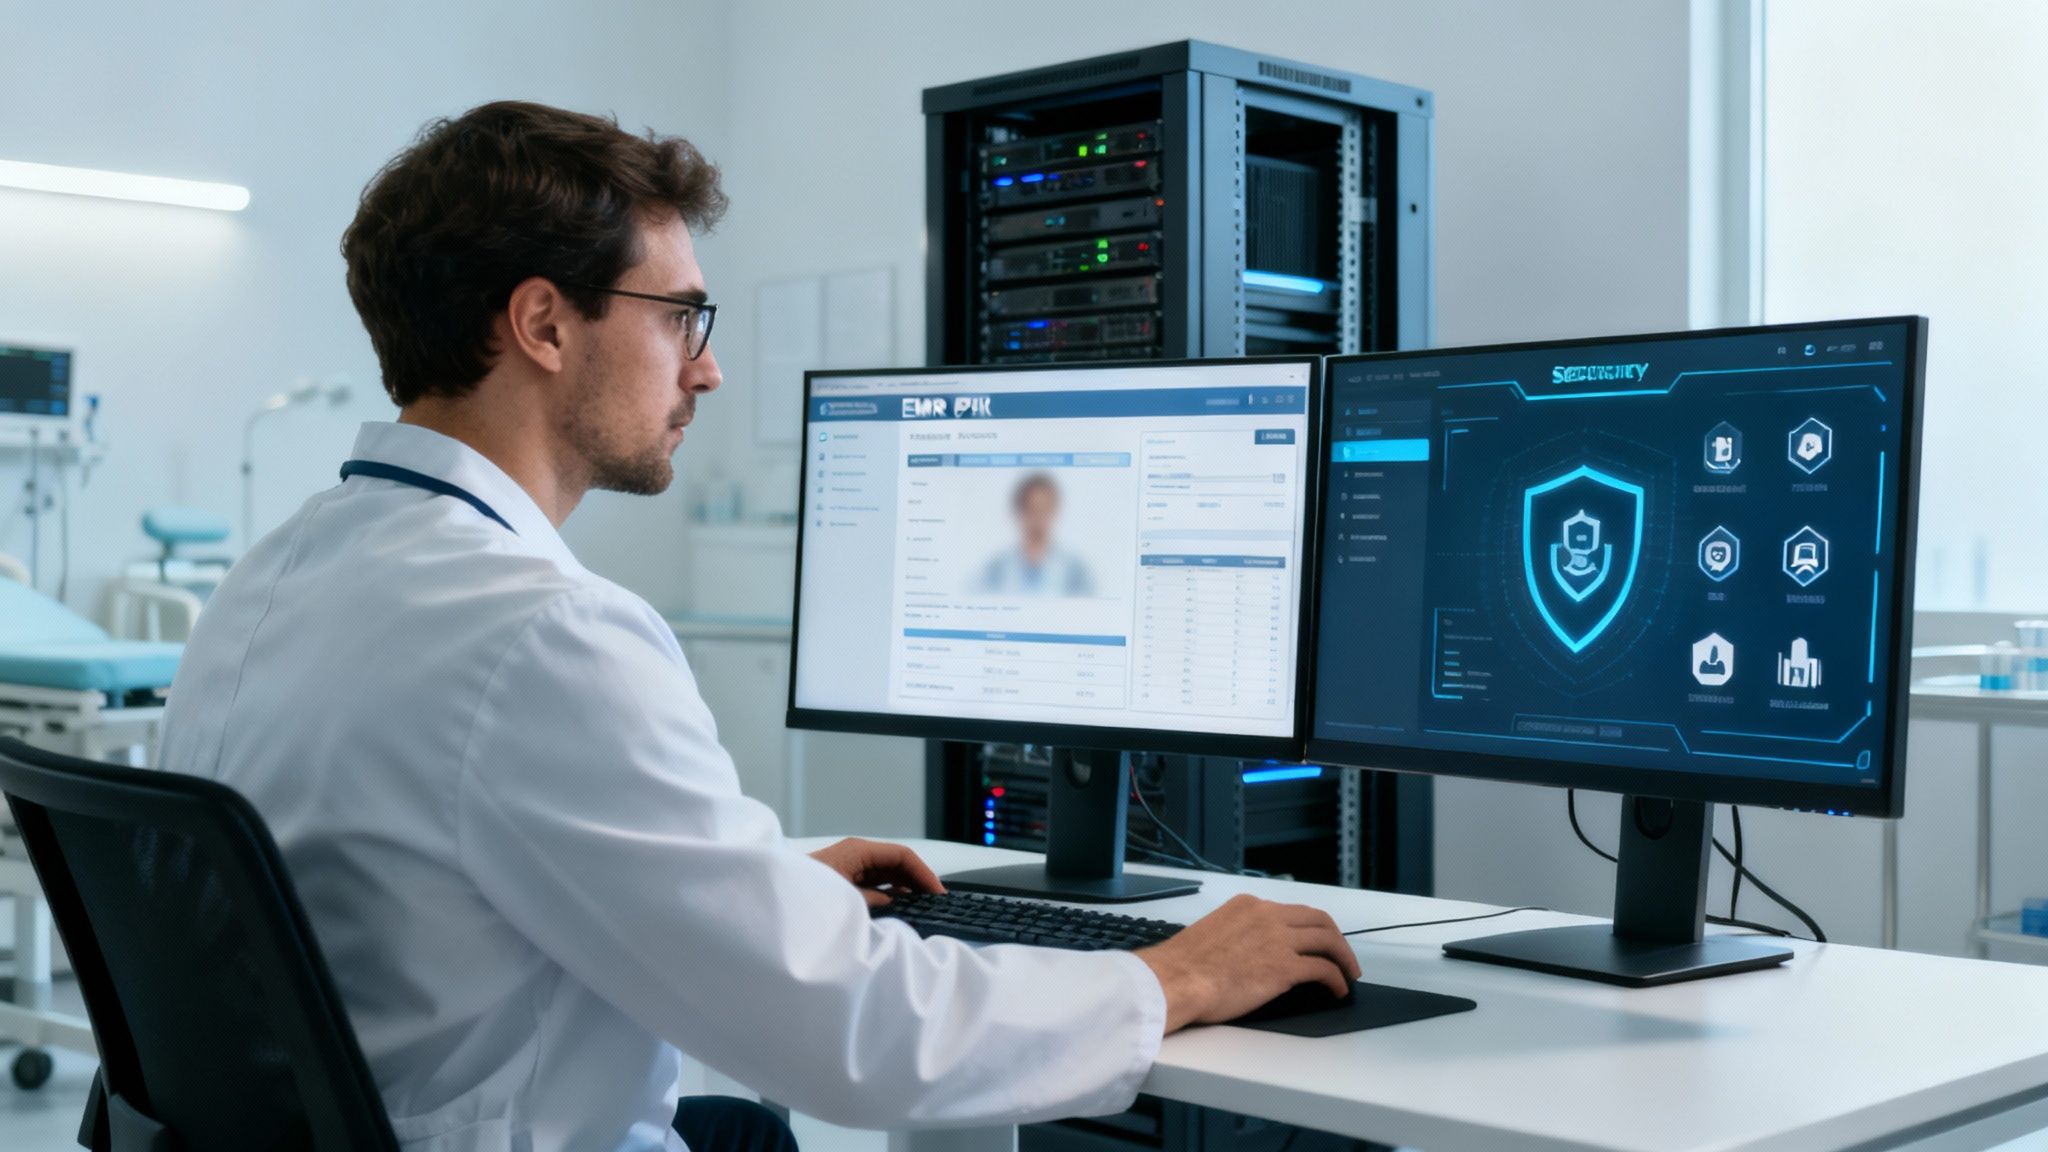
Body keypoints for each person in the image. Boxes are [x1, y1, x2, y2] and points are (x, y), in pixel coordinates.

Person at [158, 101, 1358, 1152]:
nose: (710, 369)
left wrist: (752, 886)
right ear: (542, 324)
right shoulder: (543, 634)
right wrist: (1173, 976)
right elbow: (856, 1039)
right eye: (680, 314)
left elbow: (422, 872)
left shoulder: (282, 574)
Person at [978, 472, 1094, 596]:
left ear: (1054, 512)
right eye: (1032, 509)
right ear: (1020, 513)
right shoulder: (996, 570)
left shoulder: (1075, 572)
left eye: (1044, 510)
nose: (1038, 518)